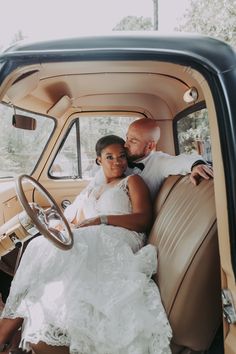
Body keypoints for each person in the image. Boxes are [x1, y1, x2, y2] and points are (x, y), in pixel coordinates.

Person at [0, 135, 172, 354]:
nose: (117, 162)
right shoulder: (92, 190)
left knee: (55, 248)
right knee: (41, 245)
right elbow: (76, 222)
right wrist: (59, 228)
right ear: (99, 160)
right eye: (109, 157)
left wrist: (101, 219)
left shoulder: (132, 181)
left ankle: (4, 333)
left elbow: (143, 219)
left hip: (120, 238)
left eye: (121, 156)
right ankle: (13, 331)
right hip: (91, 237)